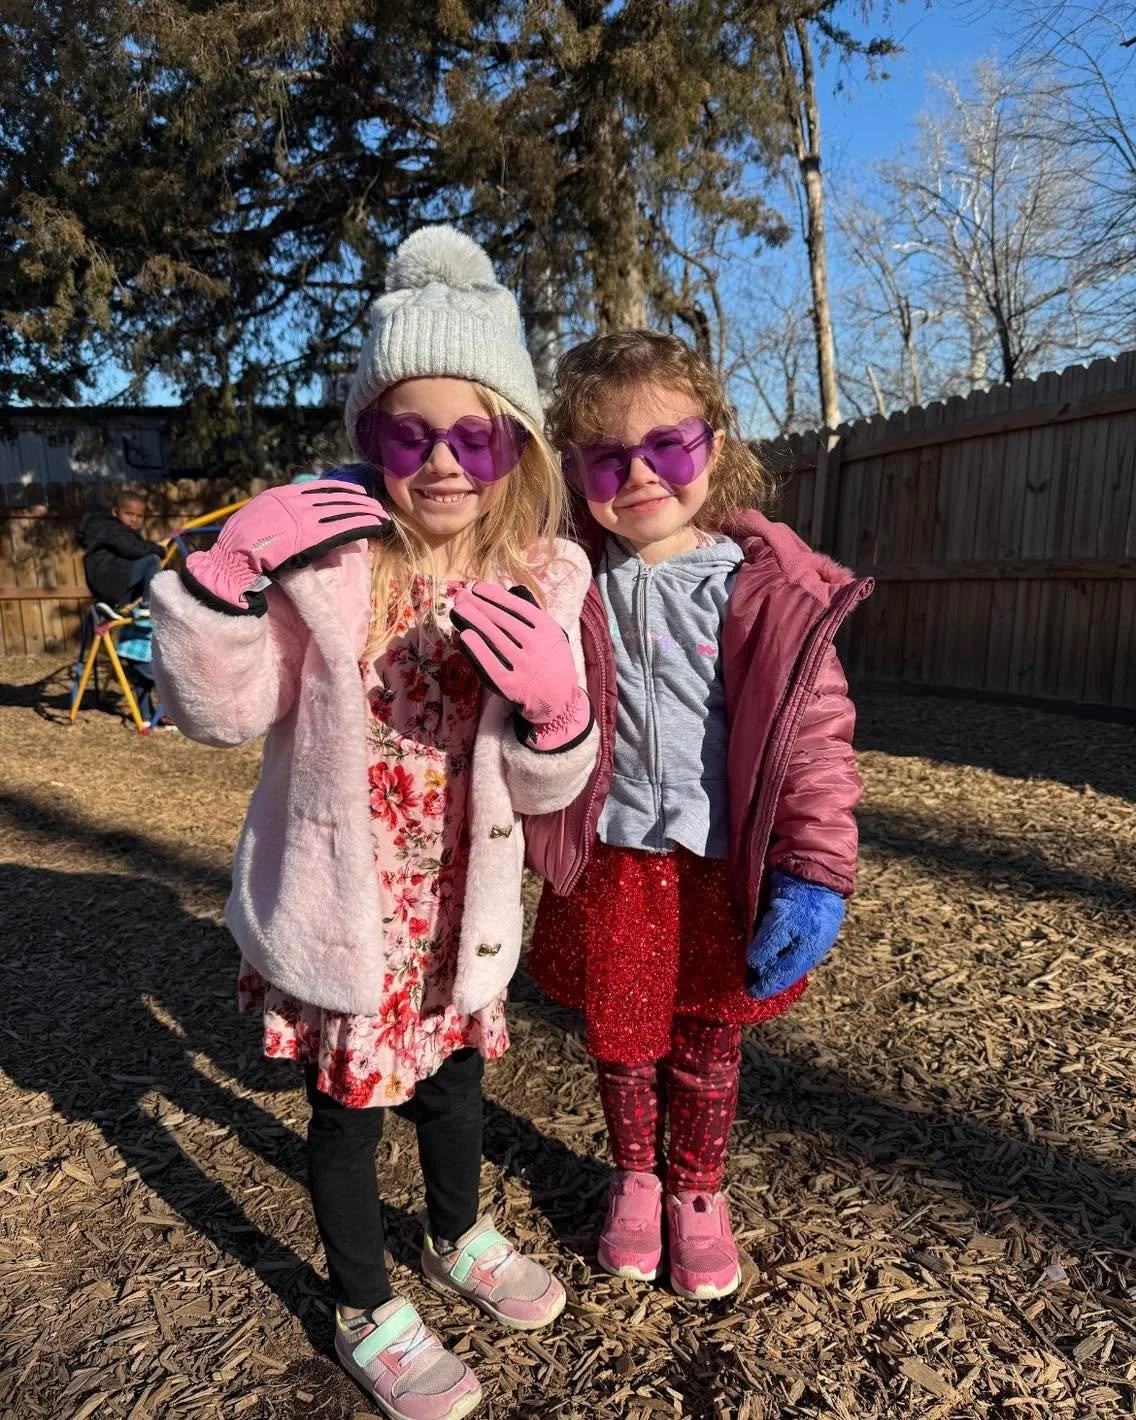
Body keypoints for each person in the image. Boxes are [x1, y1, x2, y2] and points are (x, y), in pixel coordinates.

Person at [150, 227, 599, 1420]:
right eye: (413, 432)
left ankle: (457, 1230)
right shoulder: (326, 566)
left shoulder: (550, 576)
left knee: (455, 1086)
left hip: (462, 902)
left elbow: (549, 790)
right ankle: (361, 1301)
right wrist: (218, 582)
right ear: (371, 441)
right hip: (354, 906)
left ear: (517, 443)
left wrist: (558, 717)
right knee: (352, 1115)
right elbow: (214, 711)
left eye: (477, 431)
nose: (445, 461)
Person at [524, 330, 873, 1303]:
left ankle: (695, 1190)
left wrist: (814, 868)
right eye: (605, 455)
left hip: (720, 865)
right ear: (573, 469)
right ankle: (634, 1177)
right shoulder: (562, 582)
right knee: (622, 1036)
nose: (638, 475)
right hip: (613, 859)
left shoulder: (760, 587)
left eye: (665, 447)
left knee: (709, 1040)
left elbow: (812, 736)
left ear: (710, 448)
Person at [78, 489, 166, 608]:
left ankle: (122, 608)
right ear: (115, 511)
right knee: (152, 561)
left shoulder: (115, 530)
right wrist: (160, 549)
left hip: (113, 582)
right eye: (129, 514)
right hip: (111, 577)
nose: (134, 519)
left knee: (148, 568)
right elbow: (131, 548)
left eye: (139, 516)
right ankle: (149, 606)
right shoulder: (112, 528)